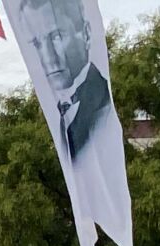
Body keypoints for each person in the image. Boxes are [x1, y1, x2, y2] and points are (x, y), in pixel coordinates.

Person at [18, 0, 111, 160]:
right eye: (37, 43)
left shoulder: (102, 109)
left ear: (86, 34)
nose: (48, 57)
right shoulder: (58, 111)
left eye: (56, 37)